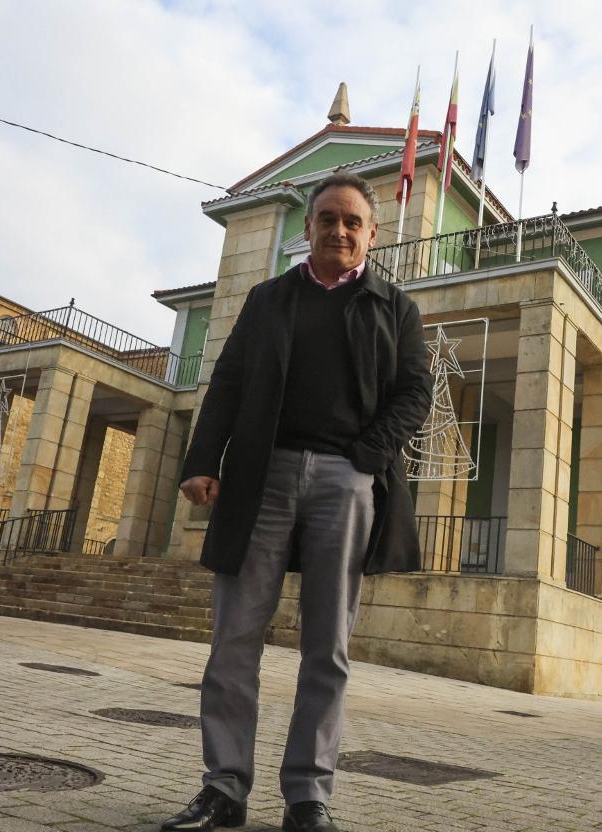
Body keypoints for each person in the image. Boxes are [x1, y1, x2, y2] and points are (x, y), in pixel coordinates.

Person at [161, 173, 434, 832]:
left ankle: (308, 797)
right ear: (307, 228)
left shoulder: (395, 308)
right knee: (234, 637)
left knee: (326, 645)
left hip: (347, 480)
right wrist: (201, 461)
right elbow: (228, 381)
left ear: (371, 234)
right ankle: (224, 788)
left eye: (352, 222)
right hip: (263, 476)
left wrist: (365, 458)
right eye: (327, 219)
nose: (339, 230)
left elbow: (415, 394)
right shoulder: (268, 299)